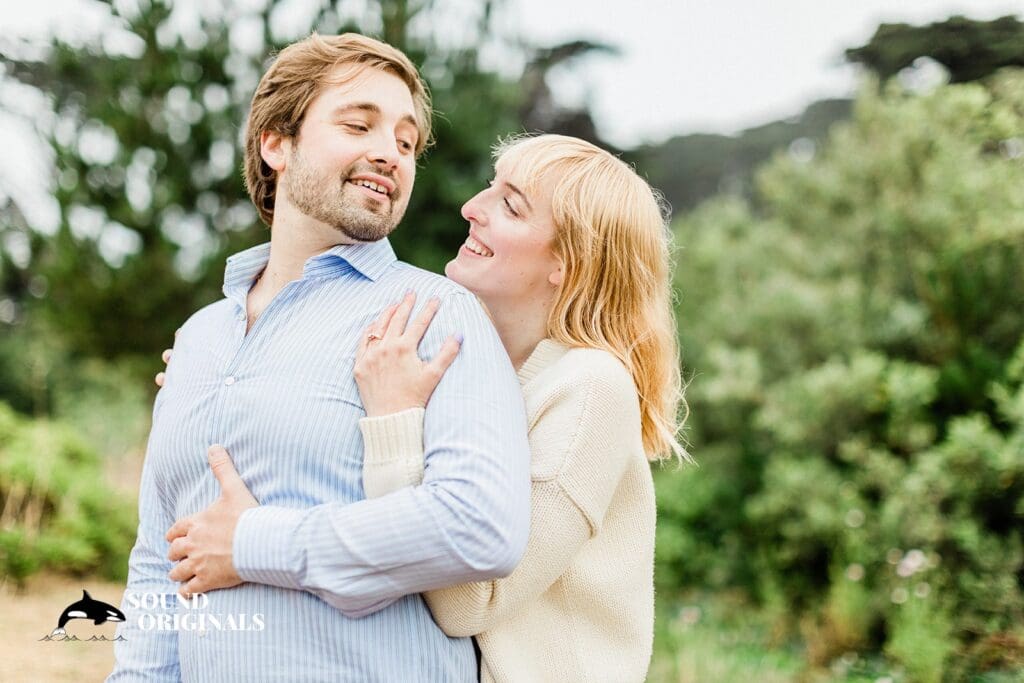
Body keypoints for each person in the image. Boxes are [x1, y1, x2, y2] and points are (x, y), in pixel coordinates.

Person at [159, 134, 690, 682]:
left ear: (566, 260)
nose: (471, 208)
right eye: (490, 188)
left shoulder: (590, 388)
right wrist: (220, 378)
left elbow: (469, 603)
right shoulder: (472, 372)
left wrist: (394, 424)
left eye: (510, 204)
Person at [108, 33, 531, 682]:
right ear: (276, 143)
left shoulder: (435, 312)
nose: (388, 152)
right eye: (359, 123)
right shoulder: (198, 337)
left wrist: (257, 542)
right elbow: (160, 563)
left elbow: (481, 524)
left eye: (406, 141)